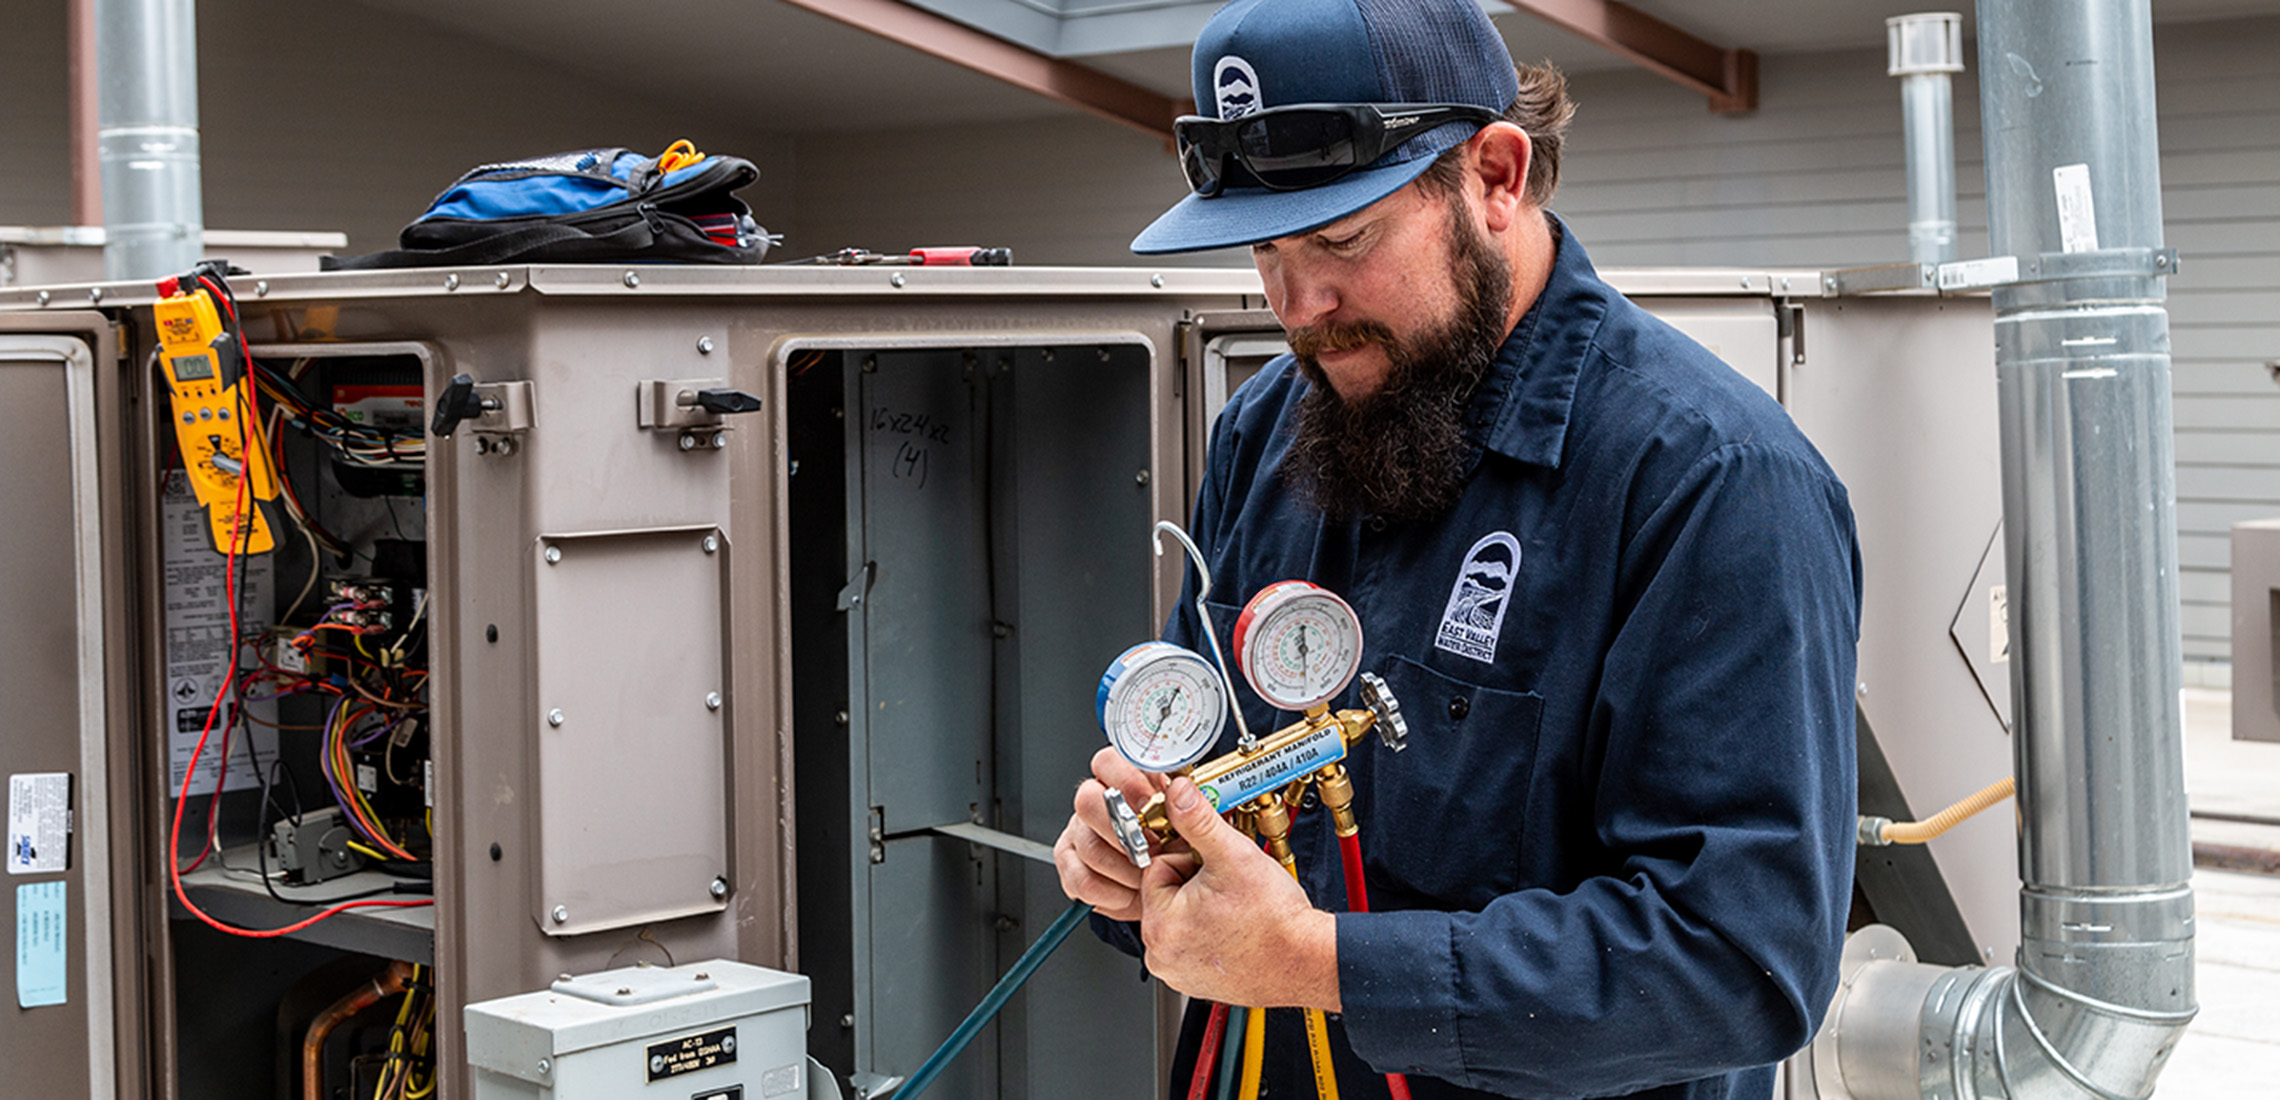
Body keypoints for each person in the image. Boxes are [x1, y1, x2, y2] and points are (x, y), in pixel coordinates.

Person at [1050, 0, 1862, 1098]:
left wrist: (1319, 963)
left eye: (1341, 238)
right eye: (1265, 251)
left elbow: (1738, 963)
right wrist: (1133, 851)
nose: (1302, 306)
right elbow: (1195, 756)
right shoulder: (1270, 430)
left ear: (1495, 174)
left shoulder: (1709, 479)